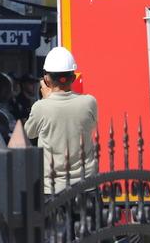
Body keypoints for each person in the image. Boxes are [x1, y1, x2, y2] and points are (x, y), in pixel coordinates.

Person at [24, 46, 98, 194]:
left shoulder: (41, 107)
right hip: (86, 186)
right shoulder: (90, 102)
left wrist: (47, 99)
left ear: (46, 79)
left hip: (53, 190)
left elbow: (28, 133)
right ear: (73, 77)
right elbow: (92, 125)